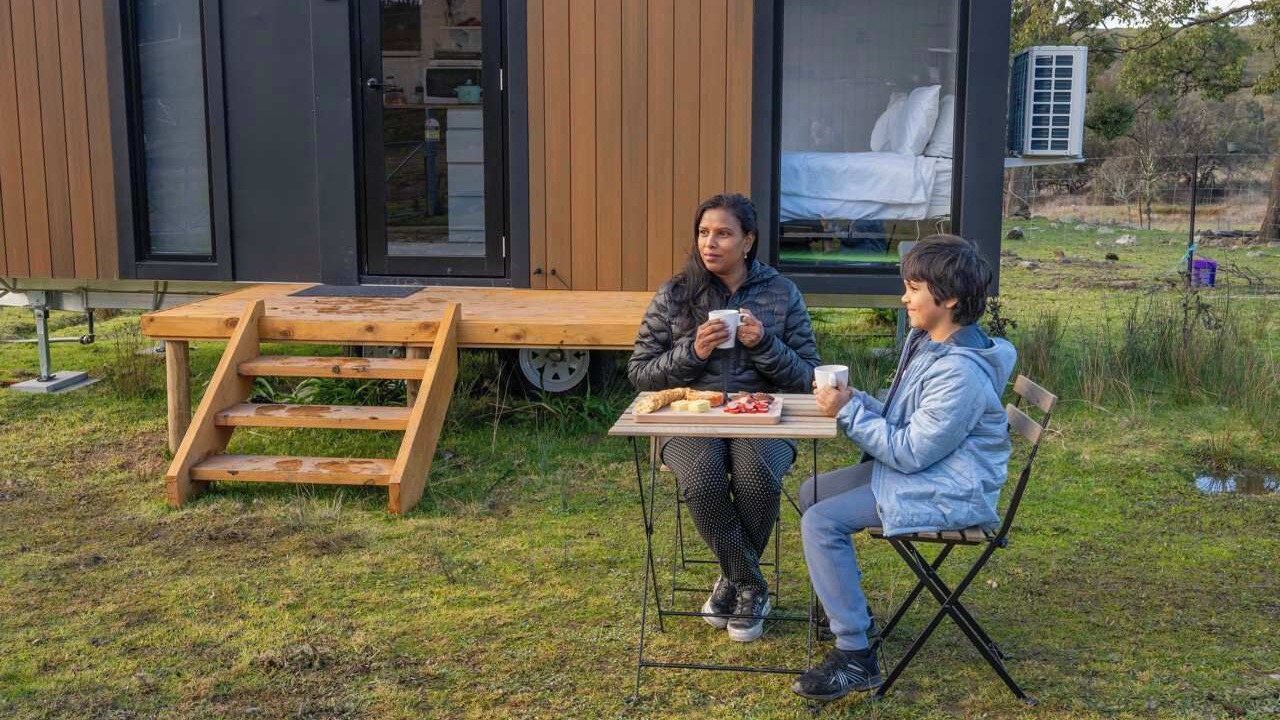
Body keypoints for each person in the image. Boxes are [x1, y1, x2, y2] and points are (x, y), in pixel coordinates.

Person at [791, 234, 1017, 701]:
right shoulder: (931, 344)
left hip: (952, 488)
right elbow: (905, 419)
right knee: (813, 491)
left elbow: (911, 450)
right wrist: (857, 401)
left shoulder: (960, 372)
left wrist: (847, 414)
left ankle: (856, 655)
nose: (904, 298)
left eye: (914, 288)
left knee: (820, 520)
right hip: (933, 471)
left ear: (948, 298)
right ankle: (852, 614)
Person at [627, 193, 821, 642]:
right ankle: (749, 583)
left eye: (723, 233)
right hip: (689, 417)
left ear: (748, 240)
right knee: (704, 480)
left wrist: (764, 345)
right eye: (703, 233)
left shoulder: (781, 293)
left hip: (764, 415)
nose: (709, 243)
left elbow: (808, 376)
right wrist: (692, 351)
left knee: (757, 477)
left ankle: (732, 581)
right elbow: (640, 373)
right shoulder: (675, 294)